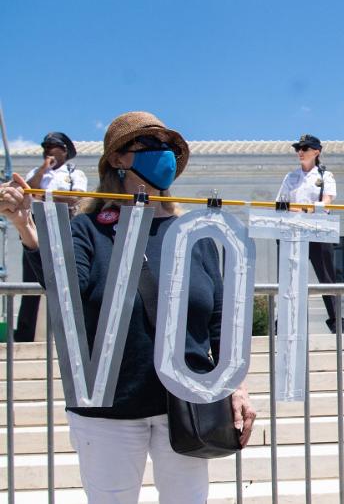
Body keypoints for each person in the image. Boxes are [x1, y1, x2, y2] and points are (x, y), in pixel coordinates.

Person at [0, 111, 256, 504]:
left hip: (187, 407)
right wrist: (26, 227)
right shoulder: (87, 230)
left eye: (169, 146)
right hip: (109, 409)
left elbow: (220, 318)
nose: (164, 153)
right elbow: (67, 289)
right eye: (151, 144)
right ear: (118, 159)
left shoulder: (196, 235)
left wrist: (236, 386)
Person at [15, 132, 88, 341]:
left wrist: (43, 195)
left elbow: (75, 198)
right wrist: (44, 168)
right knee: (31, 279)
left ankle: (70, 334)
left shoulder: (74, 173)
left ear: (64, 150)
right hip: (37, 227)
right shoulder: (37, 172)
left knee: (66, 280)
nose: (46, 150)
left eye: (52, 146)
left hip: (64, 226)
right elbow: (28, 191)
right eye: (44, 146)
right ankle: (25, 335)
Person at [277, 134, 341, 333]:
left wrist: (302, 209)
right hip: (295, 230)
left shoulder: (325, 176)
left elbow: (327, 201)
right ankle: (284, 321)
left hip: (318, 230)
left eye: (305, 148)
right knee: (290, 278)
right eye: (298, 148)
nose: (300, 152)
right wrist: (306, 209)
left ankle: (336, 322)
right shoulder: (290, 177)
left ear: (316, 152)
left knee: (327, 278)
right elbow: (281, 203)